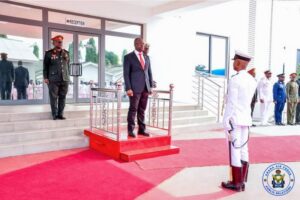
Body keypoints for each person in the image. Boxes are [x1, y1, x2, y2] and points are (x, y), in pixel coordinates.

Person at [222, 51, 257, 192]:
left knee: (234, 150)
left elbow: (231, 103)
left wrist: (226, 121)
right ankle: (241, 182)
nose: (233, 63)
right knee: (243, 149)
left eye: (234, 61)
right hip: (246, 119)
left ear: (238, 62)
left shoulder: (235, 80)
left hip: (235, 119)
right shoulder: (252, 80)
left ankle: (236, 183)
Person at [123, 38, 153, 138]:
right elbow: (126, 74)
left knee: (142, 110)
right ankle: (130, 130)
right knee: (133, 109)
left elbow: (149, 73)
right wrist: (128, 88)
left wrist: (150, 87)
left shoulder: (146, 57)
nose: (143, 46)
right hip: (134, 88)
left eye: (144, 44)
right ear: (136, 44)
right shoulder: (128, 57)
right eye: (141, 44)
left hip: (145, 88)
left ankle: (142, 130)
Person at [43, 35, 70, 120]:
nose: (60, 43)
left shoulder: (66, 53)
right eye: (58, 41)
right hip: (53, 79)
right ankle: (54, 114)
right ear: (54, 43)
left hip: (64, 79)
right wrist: (46, 77)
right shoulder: (49, 53)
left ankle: (60, 114)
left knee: (63, 97)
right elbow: (45, 66)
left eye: (61, 41)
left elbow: (67, 66)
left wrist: (67, 76)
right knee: (53, 97)